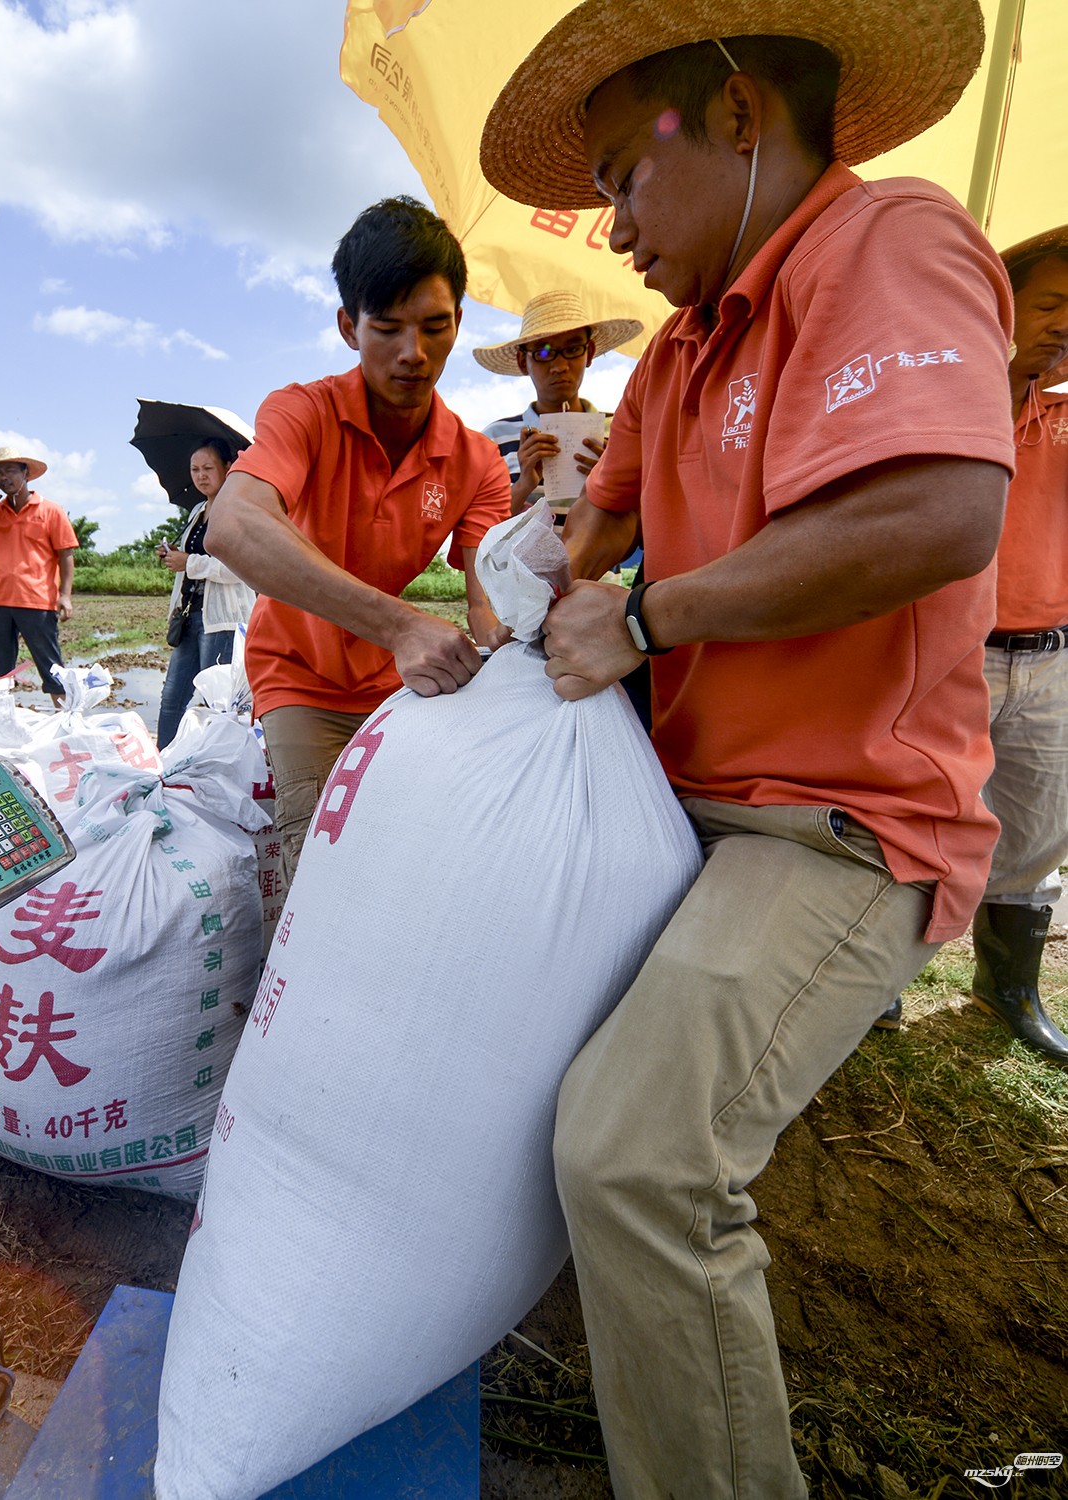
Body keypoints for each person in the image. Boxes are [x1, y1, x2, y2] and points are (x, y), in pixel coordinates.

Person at [480, 3, 1010, 1497]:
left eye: (621, 176)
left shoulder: (884, 245)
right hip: (677, 810)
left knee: (635, 1158)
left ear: (728, 113)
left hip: (830, 827)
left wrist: (641, 618)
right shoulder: (681, 351)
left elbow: (930, 514)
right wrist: (521, 566)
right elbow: (584, 546)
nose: (612, 226)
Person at [205, 196, 509, 884]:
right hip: (298, 675)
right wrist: (401, 625)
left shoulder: (477, 462)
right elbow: (235, 523)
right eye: (388, 328)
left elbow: (488, 607)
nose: (414, 354)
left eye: (436, 327)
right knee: (320, 866)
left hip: (396, 685)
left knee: (412, 854)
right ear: (348, 326)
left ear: (459, 321)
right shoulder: (302, 413)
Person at [961, 225, 1068, 1062]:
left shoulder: (1066, 421)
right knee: (922, 813)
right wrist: (1002, 383)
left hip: (1052, 657)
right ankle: (880, 980)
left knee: (1037, 827)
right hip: (956, 654)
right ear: (1002, 305)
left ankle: (1007, 987)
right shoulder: (951, 397)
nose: (1066, 326)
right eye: (1053, 304)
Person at [474, 290, 638, 517]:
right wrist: (523, 485)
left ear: (588, 353)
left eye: (572, 349)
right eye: (543, 352)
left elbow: (649, 522)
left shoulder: (622, 431)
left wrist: (614, 482)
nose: (559, 366)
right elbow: (481, 534)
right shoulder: (492, 441)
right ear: (523, 362)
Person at [155, 438, 257, 748]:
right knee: (172, 697)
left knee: (220, 704)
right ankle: (163, 767)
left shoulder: (239, 508)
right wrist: (175, 555)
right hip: (189, 617)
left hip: (222, 622)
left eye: (208, 468)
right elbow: (191, 561)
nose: (200, 476)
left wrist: (190, 563)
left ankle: (220, 766)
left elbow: (241, 567)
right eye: (195, 469)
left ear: (228, 467)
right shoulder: (198, 510)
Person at [0, 446, 78, 702]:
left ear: (26, 474)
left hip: (38, 601)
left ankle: (67, 726)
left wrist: (65, 595)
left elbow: (66, 556)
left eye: (10, 470)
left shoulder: (51, 511)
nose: (4, 477)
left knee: (52, 669)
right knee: (0, 673)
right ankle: (0, 725)